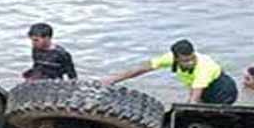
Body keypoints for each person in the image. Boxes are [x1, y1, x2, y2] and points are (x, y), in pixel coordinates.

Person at [102, 39, 238, 104]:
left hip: (222, 90)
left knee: (212, 116)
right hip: (203, 88)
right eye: (185, 60)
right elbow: (143, 68)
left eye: (191, 59)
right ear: (176, 58)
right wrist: (114, 79)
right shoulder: (169, 58)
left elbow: (195, 96)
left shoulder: (204, 67)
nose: (189, 63)